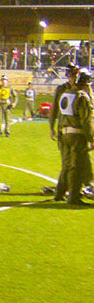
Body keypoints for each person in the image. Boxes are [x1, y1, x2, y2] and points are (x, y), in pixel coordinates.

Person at [53, 67, 93, 205]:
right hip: (77, 135)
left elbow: (59, 114)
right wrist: (91, 138)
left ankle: (59, 193)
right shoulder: (82, 97)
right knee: (76, 166)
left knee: (67, 165)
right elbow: (86, 120)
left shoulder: (66, 94)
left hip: (64, 133)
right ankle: (74, 197)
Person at [49, 64, 79, 200]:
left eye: (75, 76)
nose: (73, 78)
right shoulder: (61, 89)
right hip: (65, 129)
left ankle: (68, 190)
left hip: (75, 130)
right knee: (68, 163)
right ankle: (64, 192)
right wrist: (52, 127)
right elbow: (54, 109)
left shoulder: (80, 89)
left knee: (73, 163)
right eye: (71, 76)